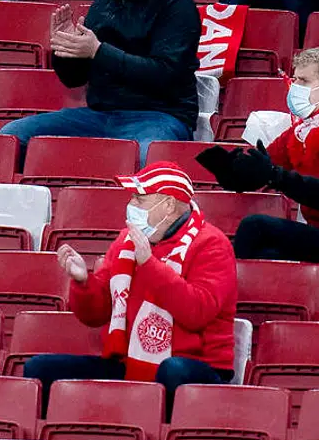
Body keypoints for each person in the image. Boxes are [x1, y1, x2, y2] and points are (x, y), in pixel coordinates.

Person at [25, 163, 236, 402]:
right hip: (129, 362)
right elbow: (96, 315)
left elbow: (198, 312)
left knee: (173, 370)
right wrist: (83, 282)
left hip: (198, 366)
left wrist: (149, 265)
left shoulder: (212, 244)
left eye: (139, 199)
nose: (131, 206)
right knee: (40, 369)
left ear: (168, 205)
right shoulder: (126, 241)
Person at [1, 0, 200, 161]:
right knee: (11, 137)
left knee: (147, 157)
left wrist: (97, 51)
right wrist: (67, 48)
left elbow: (165, 73)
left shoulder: (177, 4)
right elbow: (74, 79)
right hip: (100, 114)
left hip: (160, 116)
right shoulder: (105, 0)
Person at [206, 48, 319, 276]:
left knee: (255, 228)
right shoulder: (302, 131)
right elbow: (262, 170)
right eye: (294, 79)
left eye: (303, 81)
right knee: (262, 256)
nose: (294, 86)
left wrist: (275, 175)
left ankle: (225, 299)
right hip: (317, 238)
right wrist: (231, 172)